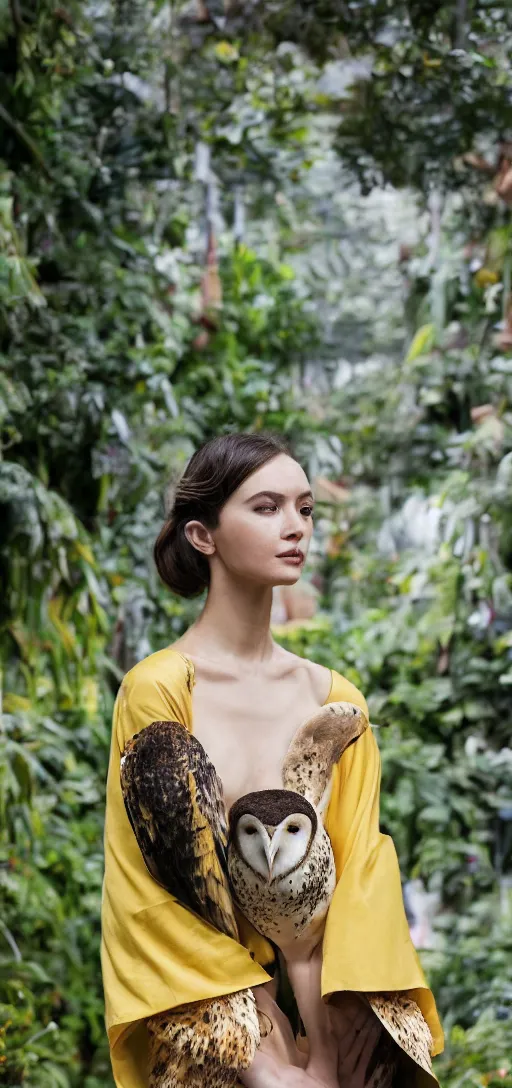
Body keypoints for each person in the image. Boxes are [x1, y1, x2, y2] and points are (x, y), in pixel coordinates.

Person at [100, 431, 444, 1088]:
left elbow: (361, 877)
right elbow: (153, 891)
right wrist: (266, 1065)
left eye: (306, 509)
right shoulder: (161, 690)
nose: (296, 528)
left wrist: (331, 1055)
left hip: (334, 1017)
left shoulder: (335, 701)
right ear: (203, 535)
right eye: (266, 508)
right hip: (215, 1030)